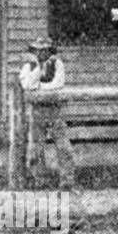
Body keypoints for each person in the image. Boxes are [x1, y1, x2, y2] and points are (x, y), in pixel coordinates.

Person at [16, 37, 75, 189]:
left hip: (55, 110)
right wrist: (37, 69)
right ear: (34, 51)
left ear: (50, 50)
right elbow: (27, 85)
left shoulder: (57, 64)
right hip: (37, 111)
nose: (42, 53)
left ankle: (66, 182)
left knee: (64, 147)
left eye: (45, 50)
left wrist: (38, 88)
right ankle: (39, 181)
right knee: (36, 148)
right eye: (38, 50)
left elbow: (58, 84)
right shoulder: (29, 66)